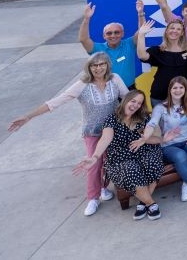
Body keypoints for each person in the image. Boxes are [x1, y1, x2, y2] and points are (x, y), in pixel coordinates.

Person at [9, 53, 128, 216]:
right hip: (92, 131)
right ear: (89, 67)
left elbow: (128, 98)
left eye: (102, 64)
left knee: (109, 161)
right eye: (94, 65)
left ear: (107, 65)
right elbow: (55, 102)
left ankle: (102, 187)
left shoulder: (115, 79)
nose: (98, 68)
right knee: (94, 163)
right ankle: (93, 198)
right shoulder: (82, 85)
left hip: (114, 129)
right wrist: (28, 116)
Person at [74, 90, 164, 221]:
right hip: (120, 158)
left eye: (139, 103)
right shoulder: (112, 119)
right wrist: (94, 157)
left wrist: (146, 140)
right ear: (126, 100)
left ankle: (143, 204)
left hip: (145, 151)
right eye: (133, 101)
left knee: (152, 162)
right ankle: (151, 204)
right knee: (130, 170)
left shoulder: (143, 118)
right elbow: (105, 139)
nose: (136, 105)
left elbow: (156, 139)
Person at [141, 77, 187, 201]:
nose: (178, 90)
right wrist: (145, 136)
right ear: (170, 90)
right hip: (169, 144)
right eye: (175, 88)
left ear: (185, 89)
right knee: (180, 155)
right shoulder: (160, 107)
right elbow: (152, 123)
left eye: (181, 87)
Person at [136, 19, 187, 106]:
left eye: (178, 29)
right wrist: (141, 35)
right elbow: (142, 56)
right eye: (172, 28)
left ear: (182, 33)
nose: (174, 31)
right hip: (161, 97)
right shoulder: (158, 50)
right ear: (166, 31)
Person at [78, 2, 137, 89]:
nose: (113, 35)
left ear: (122, 34)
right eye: (109, 33)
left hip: (129, 89)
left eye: (117, 32)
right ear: (104, 36)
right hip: (107, 90)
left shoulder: (129, 44)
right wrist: (86, 19)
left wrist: (140, 14)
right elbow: (83, 39)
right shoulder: (97, 49)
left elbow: (142, 32)